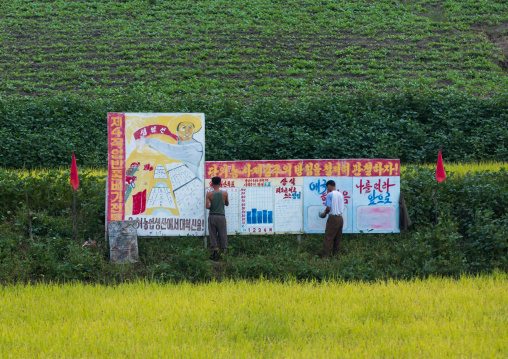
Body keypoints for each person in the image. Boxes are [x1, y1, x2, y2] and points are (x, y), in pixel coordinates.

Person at [319, 180, 345, 258]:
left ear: (329, 186)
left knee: (328, 238)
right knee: (338, 238)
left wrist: (324, 214)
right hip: (340, 218)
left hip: (333, 218)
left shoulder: (329, 195)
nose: (327, 189)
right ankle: (337, 256)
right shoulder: (340, 194)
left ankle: (325, 257)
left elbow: (328, 208)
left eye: (327, 187)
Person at [206, 176, 229, 261]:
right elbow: (227, 204)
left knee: (213, 234)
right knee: (222, 234)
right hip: (221, 217)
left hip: (212, 216)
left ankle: (215, 254)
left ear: (212, 183)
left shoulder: (209, 194)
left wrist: (212, 206)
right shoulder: (225, 193)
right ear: (220, 183)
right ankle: (224, 254)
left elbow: (207, 206)